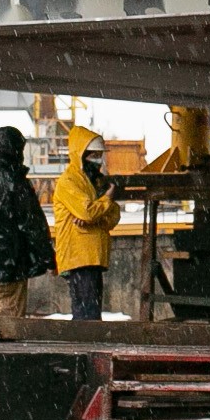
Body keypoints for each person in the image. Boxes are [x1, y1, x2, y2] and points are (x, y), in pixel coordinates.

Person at [0, 124, 55, 340]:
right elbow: (32, 224)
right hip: (10, 261)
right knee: (8, 320)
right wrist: (47, 257)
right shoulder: (15, 182)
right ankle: (1, 363)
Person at [50, 122, 121, 322]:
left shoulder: (95, 182)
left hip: (92, 256)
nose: (98, 160)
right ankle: (84, 348)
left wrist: (94, 217)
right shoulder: (69, 182)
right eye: (93, 155)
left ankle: (85, 346)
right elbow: (87, 212)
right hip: (79, 256)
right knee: (86, 312)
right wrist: (105, 200)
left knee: (90, 310)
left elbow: (112, 217)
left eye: (99, 155)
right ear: (80, 155)